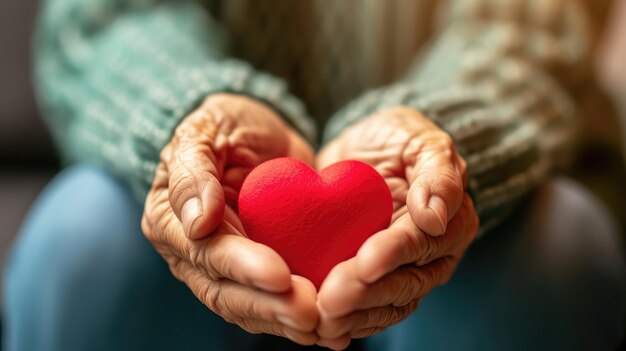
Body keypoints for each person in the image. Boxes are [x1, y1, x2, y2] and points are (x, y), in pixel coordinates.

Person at [3, 0, 624, 350]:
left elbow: (529, 25)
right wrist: (189, 112)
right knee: (81, 241)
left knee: (551, 249)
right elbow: (112, 16)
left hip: (481, 159)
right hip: (205, 168)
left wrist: (443, 131)